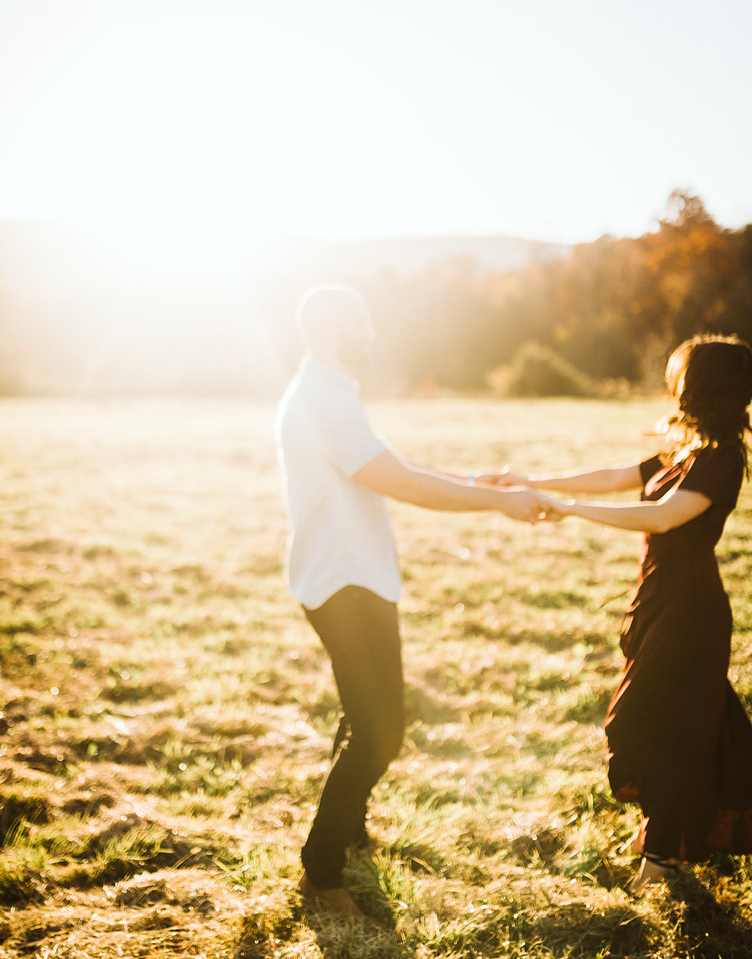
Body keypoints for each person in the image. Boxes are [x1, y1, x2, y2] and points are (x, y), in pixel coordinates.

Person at [276, 283, 553, 921]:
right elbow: (397, 481)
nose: (370, 333)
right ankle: (321, 872)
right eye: (359, 322)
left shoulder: (330, 391)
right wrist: (498, 502)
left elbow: (385, 463)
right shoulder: (320, 398)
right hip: (344, 581)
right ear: (324, 330)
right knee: (382, 731)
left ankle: (349, 833)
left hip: (352, 575)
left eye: (370, 321)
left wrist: (469, 481)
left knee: (363, 715)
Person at [490, 334, 752, 891]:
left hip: (690, 609)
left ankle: (662, 858)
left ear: (702, 386)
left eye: (680, 374)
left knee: (650, 727)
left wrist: (568, 510)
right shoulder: (689, 449)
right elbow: (615, 477)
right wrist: (532, 484)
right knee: (669, 722)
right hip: (660, 597)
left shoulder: (724, 459)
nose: (672, 384)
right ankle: (661, 830)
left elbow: (661, 518)